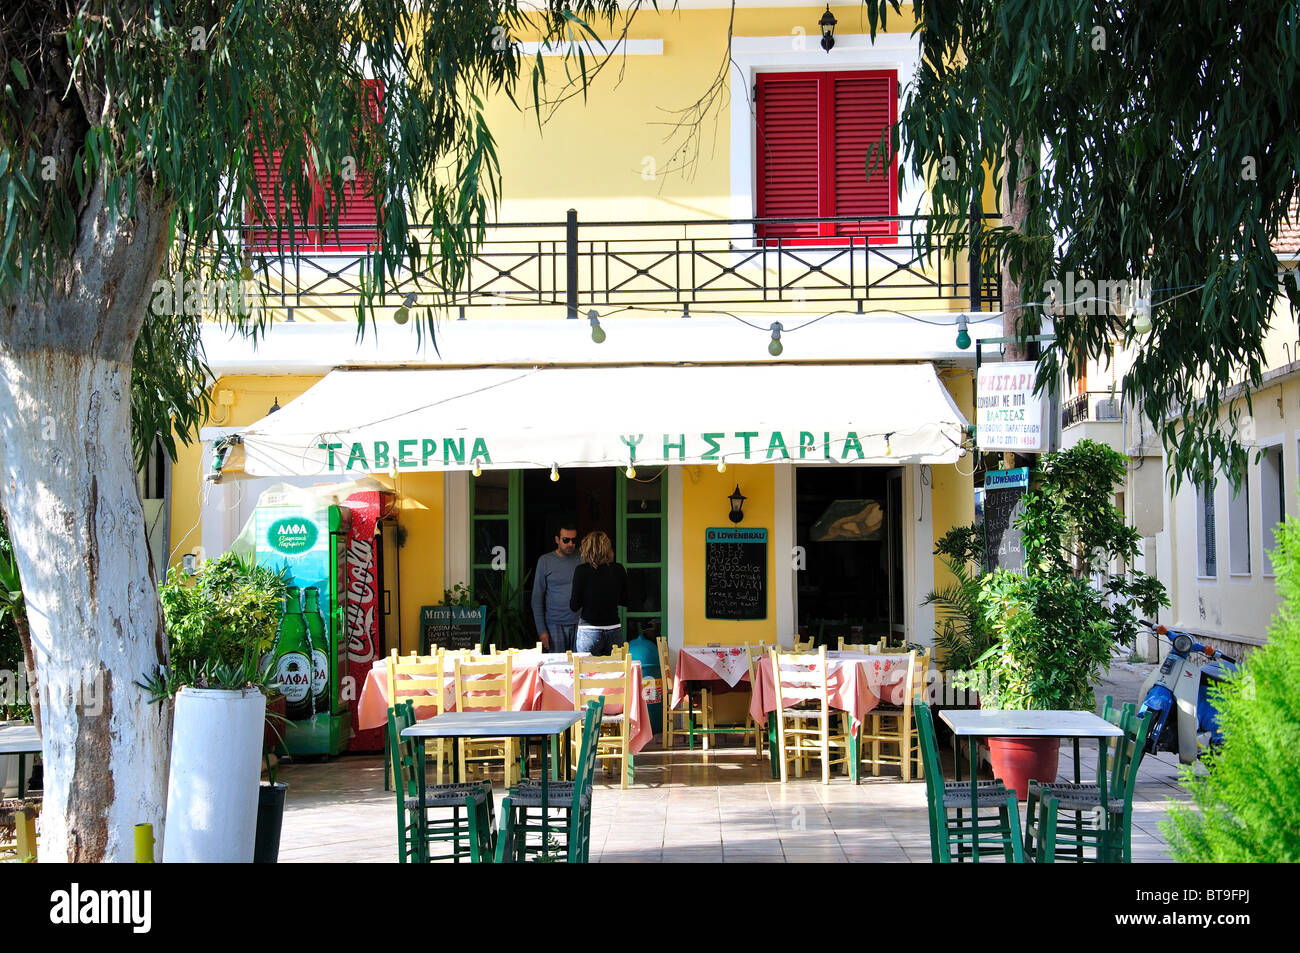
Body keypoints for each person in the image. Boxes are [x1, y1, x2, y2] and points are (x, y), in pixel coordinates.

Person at [570, 530, 628, 657]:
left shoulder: (581, 571)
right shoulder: (618, 569)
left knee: (586, 674)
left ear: (587, 549)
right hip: (613, 628)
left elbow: (574, 606)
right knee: (615, 674)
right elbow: (626, 599)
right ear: (608, 549)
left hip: (588, 631)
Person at [531, 517, 581, 652]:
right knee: (557, 668)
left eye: (573, 540)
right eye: (566, 540)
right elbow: (537, 598)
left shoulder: (583, 558)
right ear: (557, 540)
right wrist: (542, 631)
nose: (570, 544)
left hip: (580, 623)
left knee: (580, 668)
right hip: (554, 625)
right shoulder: (545, 561)